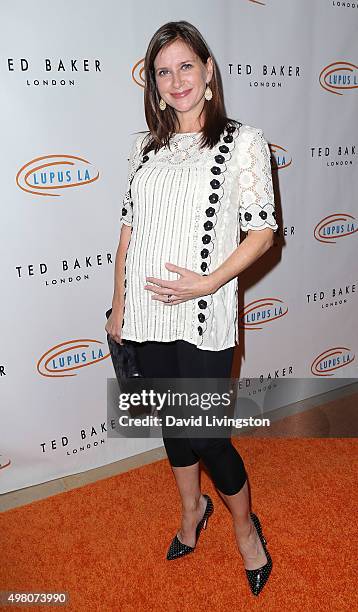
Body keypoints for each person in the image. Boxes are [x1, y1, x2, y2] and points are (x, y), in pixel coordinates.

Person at [106, 20, 278, 596]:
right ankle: (191, 511)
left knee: (205, 434)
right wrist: (117, 310)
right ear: (154, 86)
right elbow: (127, 235)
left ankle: (246, 527)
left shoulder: (242, 141)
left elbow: (261, 235)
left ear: (207, 72)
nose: (175, 79)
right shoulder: (142, 146)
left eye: (186, 65)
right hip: (145, 316)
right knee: (170, 423)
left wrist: (207, 284)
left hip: (204, 315)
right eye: (163, 71)